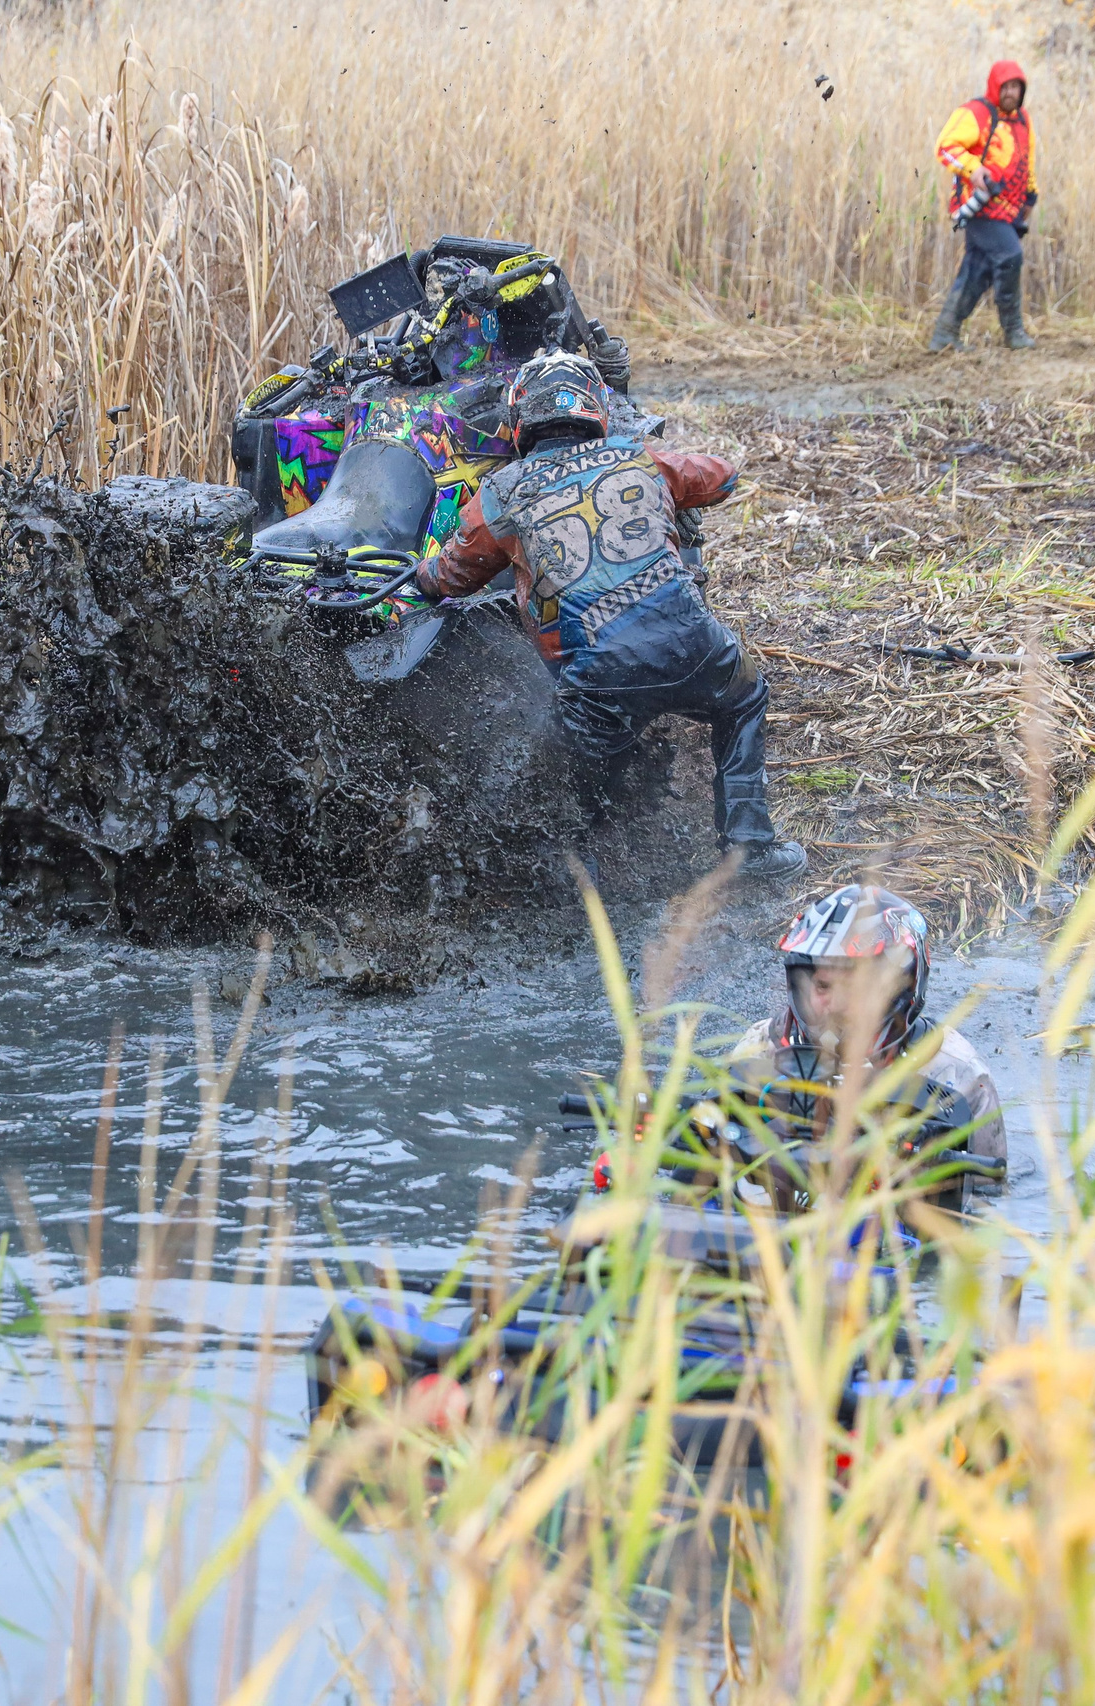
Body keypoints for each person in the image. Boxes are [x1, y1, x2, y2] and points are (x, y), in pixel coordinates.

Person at [413, 350, 807, 881]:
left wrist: (421, 573)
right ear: (595, 407)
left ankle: (578, 880)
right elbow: (724, 477)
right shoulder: (641, 458)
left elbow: (449, 579)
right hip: (694, 647)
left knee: (572, 782)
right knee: (744, 700)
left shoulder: (500, 493)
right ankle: (750, 851)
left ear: (520, 418)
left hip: (598, 680)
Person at [738, 883, 1005, 1163]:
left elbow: (989, 1183)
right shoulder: (761, 1047)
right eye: (823, 986)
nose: (836, 1005)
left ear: (900, 989)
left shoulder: (959, 1072)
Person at [927, 59, 1039, 353]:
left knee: (978, 269)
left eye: (1016, 87)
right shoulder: (976, 113)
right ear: (995, 86)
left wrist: (1030, 196)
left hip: (1009, 209)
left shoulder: (1023, 120)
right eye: (1006, 87)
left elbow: (1027, 160)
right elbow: (945, 146)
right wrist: (974, 169)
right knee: (1010, 256)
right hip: (979, 206)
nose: (1011, 93)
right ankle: (1013, 331)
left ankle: (944, 334)